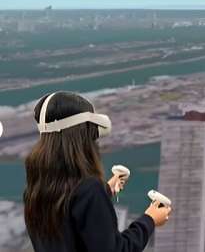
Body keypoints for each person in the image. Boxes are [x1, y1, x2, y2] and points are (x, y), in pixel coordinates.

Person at [23, 91, 171, 251]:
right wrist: (150, 220)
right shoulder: (89, 189)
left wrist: (105, 191)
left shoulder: (36, 189)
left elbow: (68, 221)